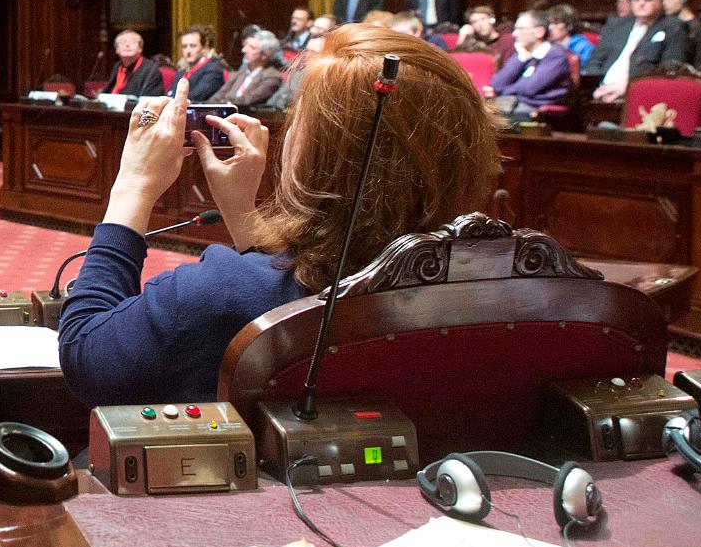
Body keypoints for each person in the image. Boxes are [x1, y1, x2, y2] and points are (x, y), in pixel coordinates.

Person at [57, 26, 501, 406]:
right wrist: (242, 217)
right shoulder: (501, 287)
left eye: (297, 120)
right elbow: (302, 287)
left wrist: (132, 187)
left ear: (319, 157)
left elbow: (87, 356)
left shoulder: (214, 292)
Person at [586, 0, 689, 103]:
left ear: (661, 2)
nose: (641, 3)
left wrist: (629, 86)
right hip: (601, 91)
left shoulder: (674, 27)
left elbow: (671, 68)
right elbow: (595, 61)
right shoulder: (616, 25)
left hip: (640, 94)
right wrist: (599, 86)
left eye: (648, 0)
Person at [483, 11, 573, 119]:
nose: (514, 34)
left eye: (520, 29)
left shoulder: (555, 55)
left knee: (486, 118)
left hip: (537, 110)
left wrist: (501, 91)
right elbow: (496, 84)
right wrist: (520, 58)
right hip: (513, 104)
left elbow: (529, 88)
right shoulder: (523, 54)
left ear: (539, 32)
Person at [221, 30, 284, 108]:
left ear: (264, 55)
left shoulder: (272, 77)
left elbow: (248, 100)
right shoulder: (240, 74)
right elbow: (218, 96)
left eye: (251, 47)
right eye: (246, 46)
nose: (243, 50)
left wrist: (224, 103)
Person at [99, 29, 164, 97]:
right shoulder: (118, 66)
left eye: (132, 42)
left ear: (140, 48)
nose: (127, 45)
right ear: (117, 49)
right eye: (123, 42)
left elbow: (151, 100)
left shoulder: (151, 70)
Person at [173, 25, 226, 100]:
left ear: (204, 47)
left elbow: (195, 97)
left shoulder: (213, 70)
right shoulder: (180, 73)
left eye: (193, 46)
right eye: (184, 46)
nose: (188, 51)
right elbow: (170, 96)